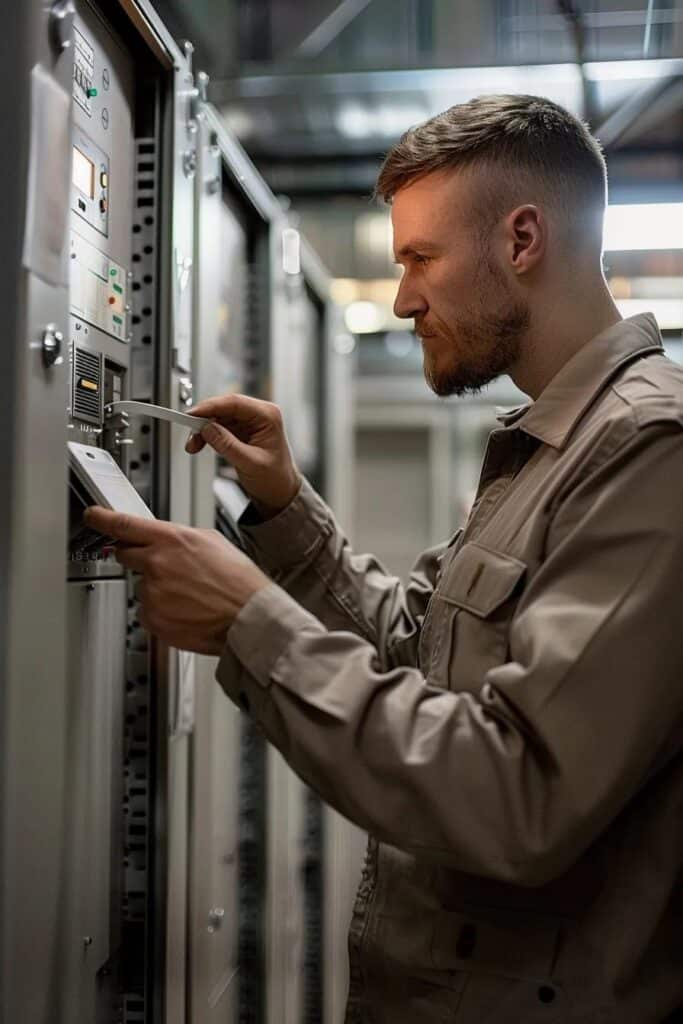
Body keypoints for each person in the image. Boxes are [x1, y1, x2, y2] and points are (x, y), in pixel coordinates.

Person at [86, 95, 683, 1023]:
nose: (401, 296)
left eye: (419, 258)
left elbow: (518, 794)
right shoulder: (552, 445)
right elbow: (417, 652)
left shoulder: (650, 450)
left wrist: (249, 621)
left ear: (521, 239)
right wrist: (285, 510)